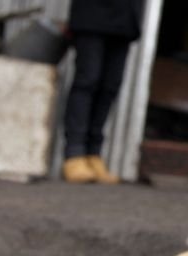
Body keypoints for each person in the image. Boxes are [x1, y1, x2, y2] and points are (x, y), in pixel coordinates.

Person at [61, 0, 144, 184]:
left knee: (109, 87)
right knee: (87, 81)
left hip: (125, 19)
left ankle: (93, 153)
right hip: (91, 15)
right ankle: (74, 153)